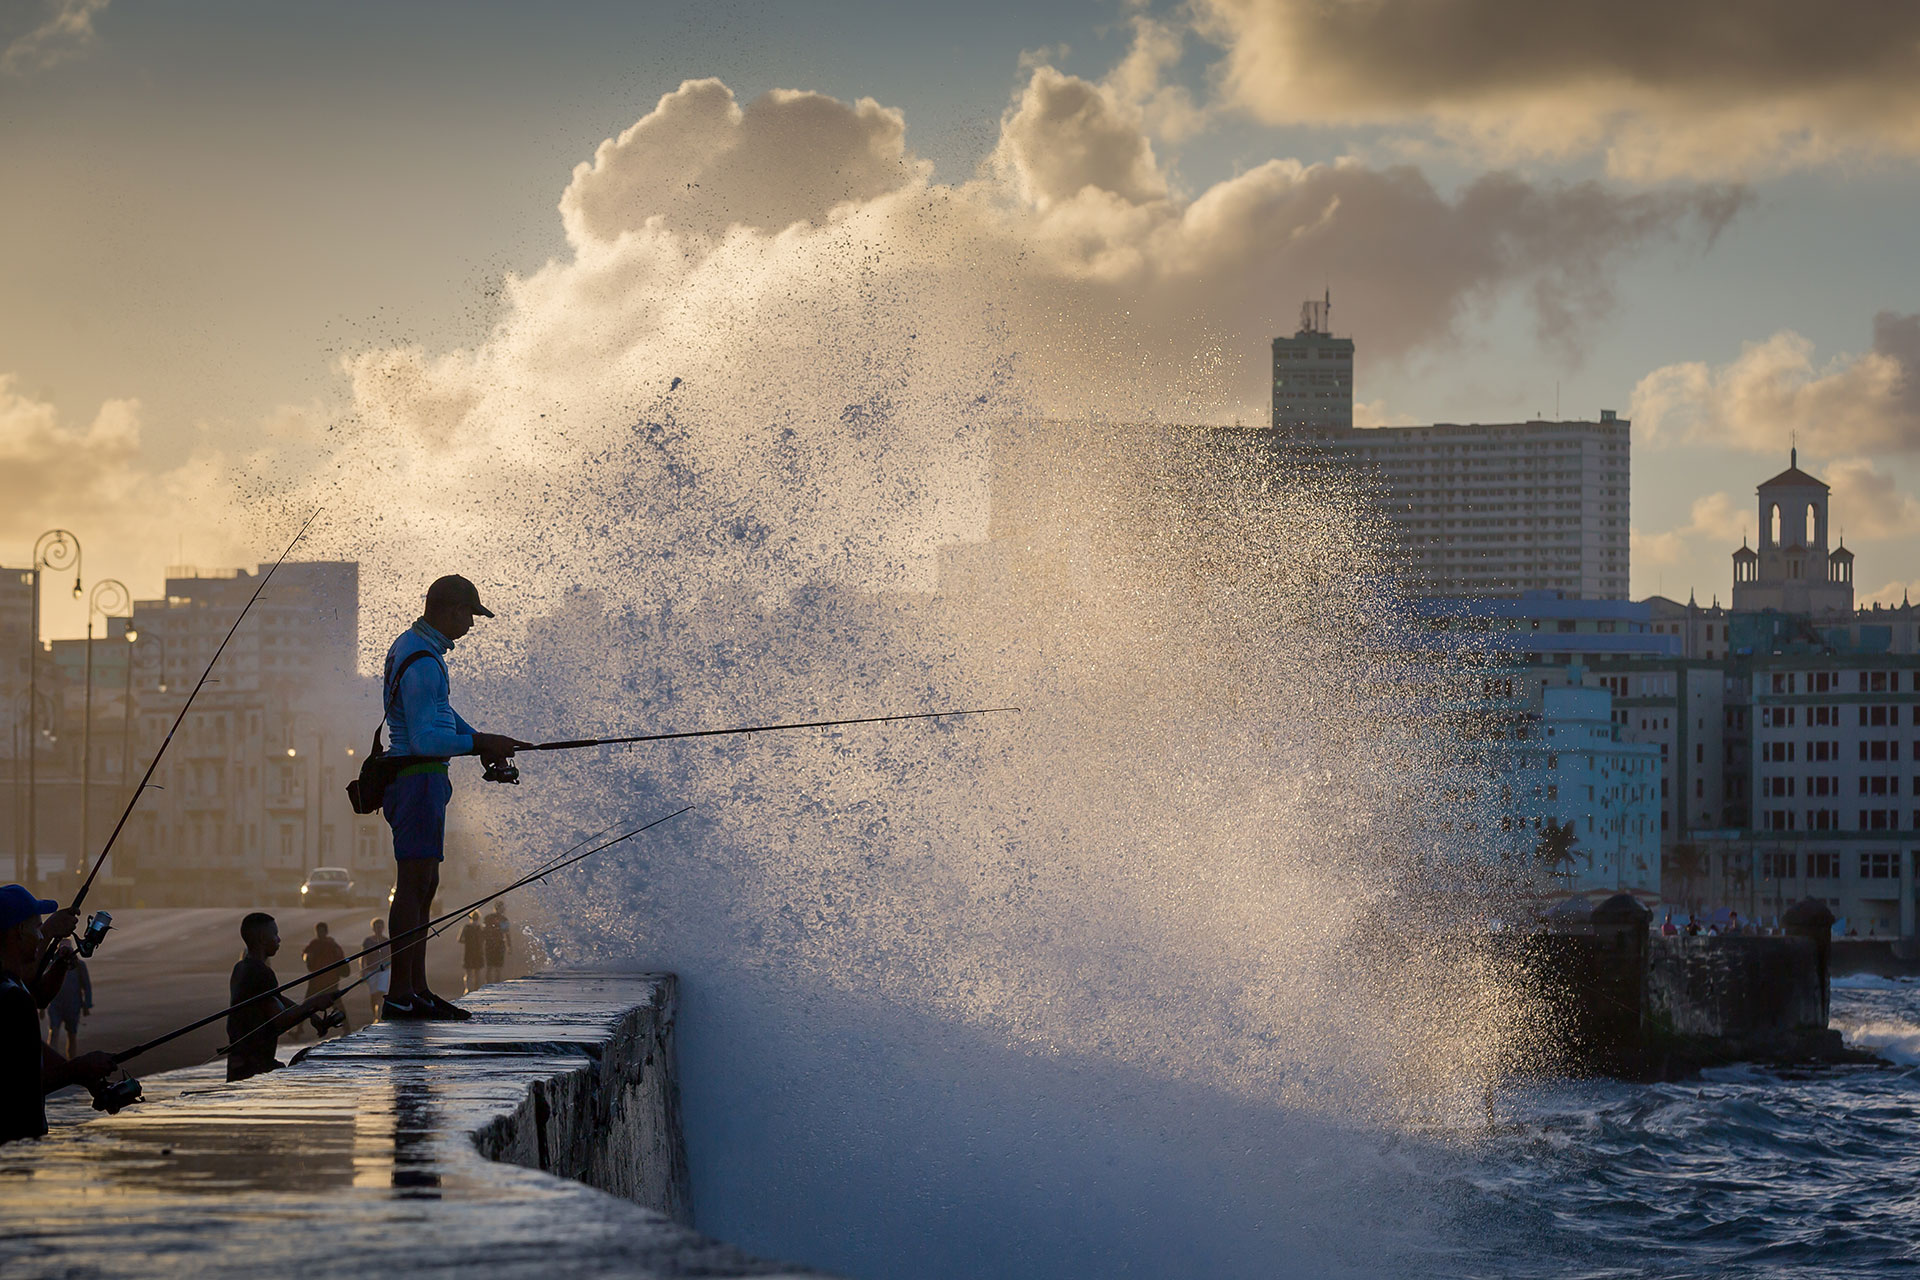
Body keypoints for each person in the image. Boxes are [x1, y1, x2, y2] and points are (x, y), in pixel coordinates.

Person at [379, 574, 527, 1021]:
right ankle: (401, 994)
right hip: (417, 778)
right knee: (413, 887)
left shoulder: (414, 648)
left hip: (419, 780)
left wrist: (480, 738)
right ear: (449, 610)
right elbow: (425, 738)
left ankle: (416, 990)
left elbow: (442, 716)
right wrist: (480, 745)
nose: (471, 624)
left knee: (425, 887)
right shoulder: (423, 660)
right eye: (469, 614)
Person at [0, 885, 113, 1143]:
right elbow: (22, 1088)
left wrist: (82, 1073)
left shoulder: (10, 985)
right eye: (37, 929)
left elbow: (32, 1048)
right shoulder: (13, 1000)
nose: (41, 937)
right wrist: (78, 1069)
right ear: (18, 932)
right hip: (13, 1145)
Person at [227, 912, 341, 1082]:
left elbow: (276, 998)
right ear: (261, 938)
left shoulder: (241, 968)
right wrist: (314, 1003)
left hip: (239, 1062)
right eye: (275, 934)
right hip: (253, 1066)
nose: (279, 939)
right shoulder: (261, 973)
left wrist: (311, 1015)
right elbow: (280, 1020)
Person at [300, 922, 350, 1038]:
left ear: (326, 932)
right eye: (318, 931)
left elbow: (340, 958)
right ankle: (299, 1029)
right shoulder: (314, 943)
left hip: (330, 980)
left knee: (337, 1005)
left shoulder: (332, 944)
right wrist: (307, 957)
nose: (320, 933)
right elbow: (305, 954)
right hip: (316, 979)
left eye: (322, 931)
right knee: (306, 1004)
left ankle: (347, 1029)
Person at [43, 944, 91, 1058]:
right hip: (55, 1003)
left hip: (73, 1005)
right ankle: (53, 1063)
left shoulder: (79, 966)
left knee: (72, 1035)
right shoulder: (51, 964)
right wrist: (41, 1008)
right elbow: (43, 984)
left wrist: (87, 1004)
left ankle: (71, 1062)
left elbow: (86, 985)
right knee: (53, 1033)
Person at [359, 918, 391, 1022]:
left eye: (380, 926)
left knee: (381, 993)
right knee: (373, 994)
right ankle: (375, 1015)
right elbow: (363, 956)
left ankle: (379, 1014)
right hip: (371, 970)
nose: (379, 929)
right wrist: (362, 970)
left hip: (384, 970)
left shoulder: (387, 941)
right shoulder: (368, 941)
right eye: (376, 927)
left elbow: (390, 956)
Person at [483, 900, 510, 985]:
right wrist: (509, 946)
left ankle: (489, 985)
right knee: (496, 967)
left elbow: (484, 931)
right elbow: (507, 933)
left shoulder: (488, 918)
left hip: (491, 944)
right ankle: (494, 985)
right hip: (496, 944)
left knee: (491, 967)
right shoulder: (504, 919)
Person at [459, 911, 485, 994]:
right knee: (477, 972)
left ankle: (467, 989)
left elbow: (460, 939)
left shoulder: (466, 927)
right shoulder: (481, 928)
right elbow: (484, 940)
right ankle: (477, 989)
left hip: (468, 951)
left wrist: (468, 942)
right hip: (478, 952)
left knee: (468, 973)